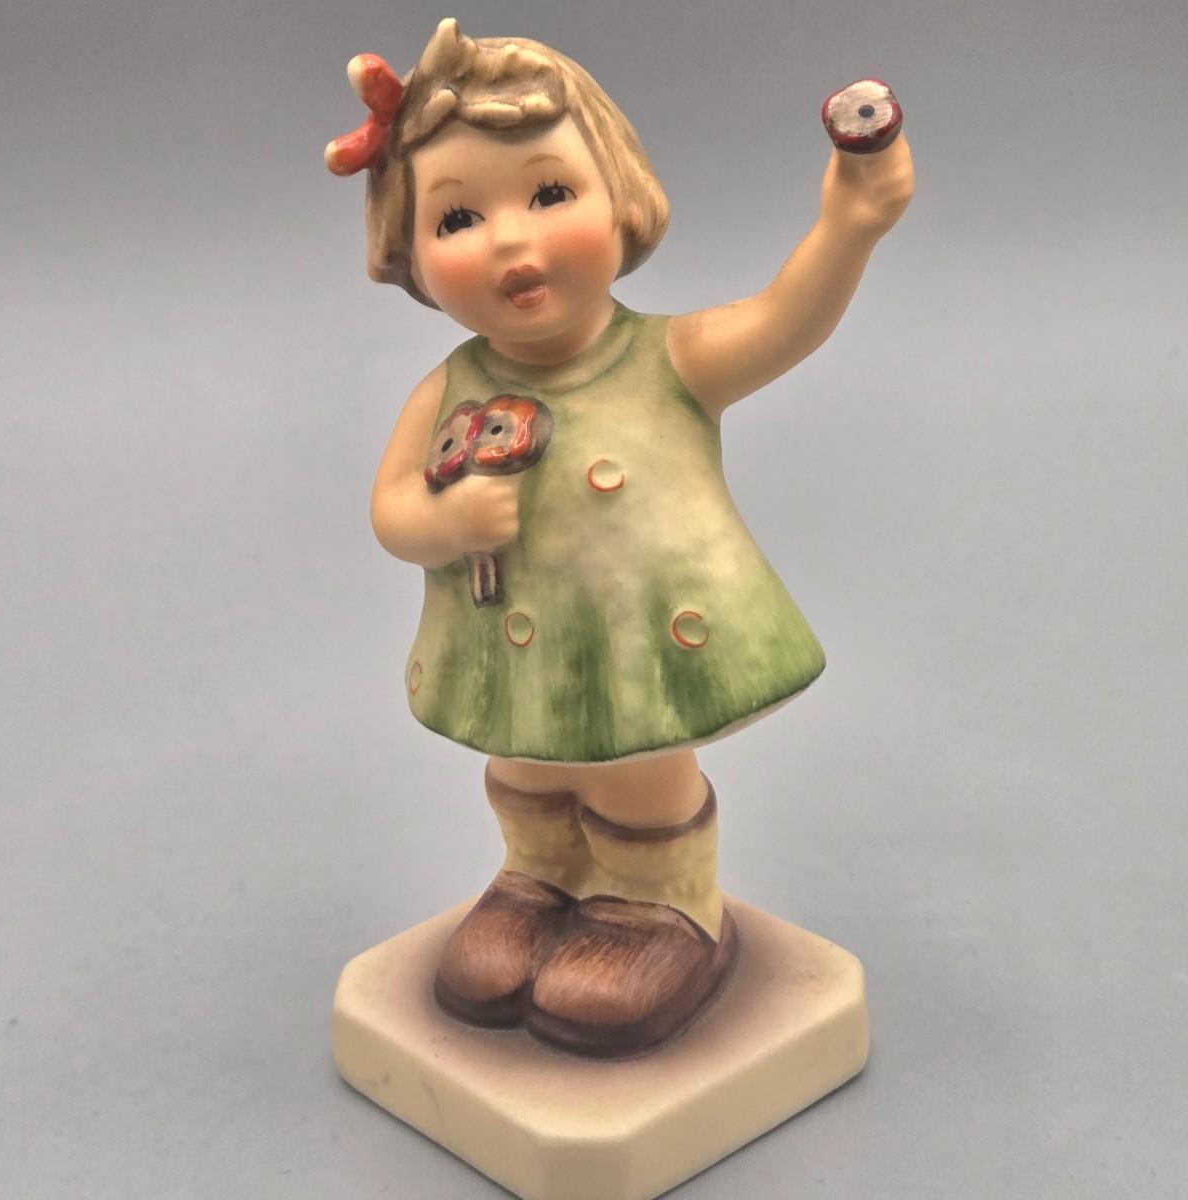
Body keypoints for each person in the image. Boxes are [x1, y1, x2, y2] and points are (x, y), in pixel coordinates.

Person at [326, 17, 913, 1058]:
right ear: (408, 250)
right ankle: (538, 880)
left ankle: (657, 906)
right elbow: (391, 509)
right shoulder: (451, 387)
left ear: (621, 196)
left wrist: (851, 225)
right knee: (525, 765)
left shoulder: (668, 361)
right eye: (458, 216)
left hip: (642, 639)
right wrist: (443, 521)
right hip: (509, 641)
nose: (512, 242)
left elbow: (787, 318)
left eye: (550, 195)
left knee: (637, 767)